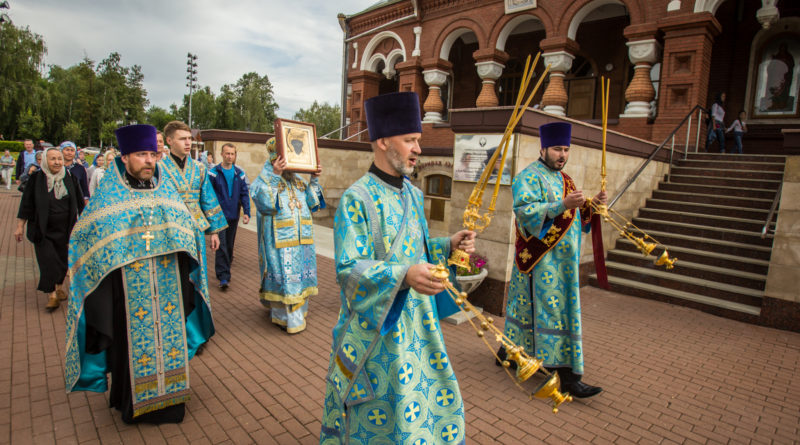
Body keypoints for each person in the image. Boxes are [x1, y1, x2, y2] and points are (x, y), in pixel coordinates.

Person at [319, 92, 475, 444]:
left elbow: (416, 249)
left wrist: (447, 244)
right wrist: (403, 275)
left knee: (433, 403)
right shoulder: (356, 199)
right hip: (377, 331)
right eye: (410, 140)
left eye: (418, 140)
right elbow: (348, 269)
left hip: (419, 324)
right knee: (385, 410)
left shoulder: (413, 194)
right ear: (383, 140)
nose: (418, 149)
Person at [64, 124, 214, 424]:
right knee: (128, 344)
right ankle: (129, 401)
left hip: (168, 282)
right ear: (125, 156)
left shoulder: (165, 188)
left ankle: (170, 403)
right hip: (126, 289)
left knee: (170, 340)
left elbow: (185, 226)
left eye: (152, 154)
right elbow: (86, 234)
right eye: (141, 154)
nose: (149, 160)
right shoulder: (109, 194)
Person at [497, 122, 606, 399]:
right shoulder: (527, 177)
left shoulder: (565, 179)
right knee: (551, 315)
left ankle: (508, 350)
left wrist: (593, 206)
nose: (563, 154)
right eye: (558, 148)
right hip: (541, 263)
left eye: (566, 149)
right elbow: (525, 213)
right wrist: (563, 205)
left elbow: (575, 217)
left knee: (547, 313)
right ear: (543, 148)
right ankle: (566, 375)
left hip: (565, 266)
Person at [160, 120, 226, 343]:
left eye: (189, 138)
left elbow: (207, 198)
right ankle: (175, 331)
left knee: (195, 278)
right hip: (169, 233)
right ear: (169, 141)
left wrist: (214, 231)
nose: (188, 143)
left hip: (196, 232)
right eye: (182, 139)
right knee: (173, 280)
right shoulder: (159, 168)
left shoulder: (199, 168)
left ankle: (196, 331)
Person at [249, 138, 324, 333]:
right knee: (285, 278)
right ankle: (287, 319)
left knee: (299, 278)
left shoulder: (298, 181)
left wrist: (314, 179)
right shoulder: (265, 180)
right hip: (280, 242)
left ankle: (297, 314)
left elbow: (315, 204)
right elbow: (265, 204)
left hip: (303, 241)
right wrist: (275, 174)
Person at [14, 146, 84, 311]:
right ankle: (52, 295)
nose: (57, 162)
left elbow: (80, 202)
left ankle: (59, 287)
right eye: (53, 159)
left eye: (59, 159)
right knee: (48, 261)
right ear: (45, 160)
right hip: (42, 229)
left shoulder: (69, 177)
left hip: (65, 229)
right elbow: (26, 204)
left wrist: (84, 223)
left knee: (61, 261)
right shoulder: (36, 179)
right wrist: (19, 227)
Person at [208, 143, 251, 289]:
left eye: (232, 154)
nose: (229, 156)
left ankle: (225, 267)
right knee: (222, 246)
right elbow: (209, 196)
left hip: (233, 216)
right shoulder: (213, 173)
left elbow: (244, 193)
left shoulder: (239, 173)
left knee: (230, 245)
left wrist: (246, 212)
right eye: (227, 153)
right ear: (221, 154)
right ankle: (224, 276)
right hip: (219, 217)